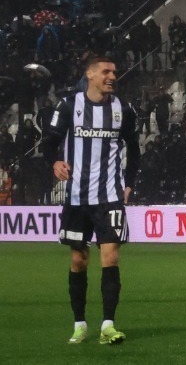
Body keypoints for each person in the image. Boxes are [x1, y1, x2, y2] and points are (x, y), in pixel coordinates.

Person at [42, 56, 140, 345]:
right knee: (78, 259)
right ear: (90, 74)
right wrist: (54, 162)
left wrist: (129, 183)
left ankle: (108, 325)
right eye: (106, 71)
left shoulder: (123, 109)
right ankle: (80, 324)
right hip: (77, 197)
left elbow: (134, 149)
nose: (112, 76)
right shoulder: (68, 105)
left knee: (110, 256)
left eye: (114, 72)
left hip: (109, 196)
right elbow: (49, 142)